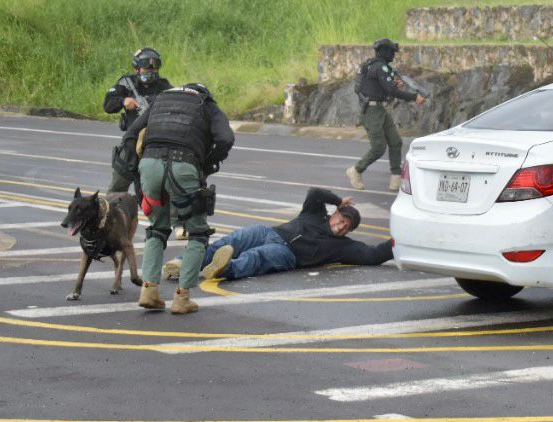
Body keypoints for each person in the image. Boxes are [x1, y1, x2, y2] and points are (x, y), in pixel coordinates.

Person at [121, 83, 234, 314]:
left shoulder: (159, 101)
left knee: (157, 228)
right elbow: (225, 139)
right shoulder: (206, 104)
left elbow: (131, 135)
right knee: (198, 232)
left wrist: (138, 170)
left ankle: (149, 291)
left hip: (150, 165)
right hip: (184, 165)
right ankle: (182, 298)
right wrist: (206, 164)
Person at [166, 188, 391, 282]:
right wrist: (337, 200)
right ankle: (186, 263)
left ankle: (225, 267)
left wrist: (399, 243)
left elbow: (372, 255)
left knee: (257, 257)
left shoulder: (343, 246)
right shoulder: (315, 213)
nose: (342, 227)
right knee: (235, 239)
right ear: (336, 213)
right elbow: (314, 192)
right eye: (342, 220)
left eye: (347, 227)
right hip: (271, 232)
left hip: (288, 253)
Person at [347, 38, 426, 192]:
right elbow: (391, 91)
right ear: (384, 52)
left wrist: (393, 85)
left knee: (396, 142)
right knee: (378, 147)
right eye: (391, 52)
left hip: (380, 110)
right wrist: (414, 97)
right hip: (372, 112)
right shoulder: (380, 67)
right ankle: (356, 171)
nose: (393, 55)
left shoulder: (372, 65)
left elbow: (379, 87)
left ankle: (396, 178)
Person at [103, 47, 172, 193]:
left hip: (156, 143)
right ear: (137, 68)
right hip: (131, 143)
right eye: (146, 67)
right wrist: (123, 101)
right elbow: (108, 104)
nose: (150, 70)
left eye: (154, 67)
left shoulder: (164, 86)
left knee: (157, 192)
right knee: (116, 189)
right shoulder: (126, 83)